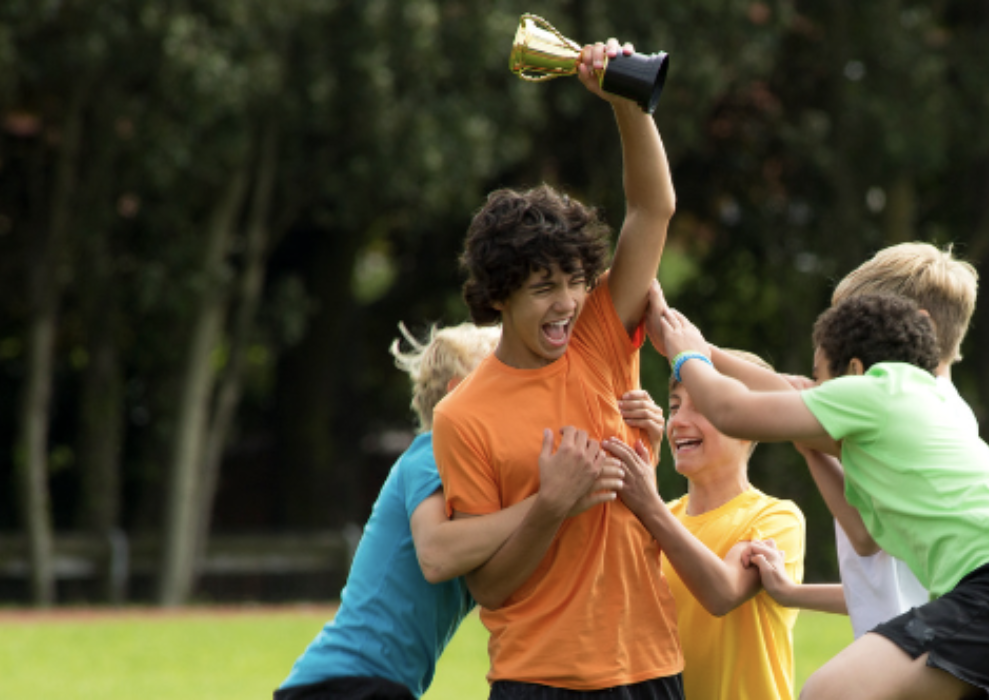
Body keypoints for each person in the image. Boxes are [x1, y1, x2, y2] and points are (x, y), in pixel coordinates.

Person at [646, 293, 989, 700]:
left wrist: (688, 356)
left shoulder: (876, 390)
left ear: (855, 372)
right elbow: (863, 535)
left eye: (824, 379)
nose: (815, 392)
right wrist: (710, 355)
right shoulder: (920, 403)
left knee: (828, 693)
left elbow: (732, 410)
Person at [431, 37, 684, 698]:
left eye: (576, 278)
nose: (568, 301)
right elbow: (487, 585)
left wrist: (626, 101)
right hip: (541, 682)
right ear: (497, 297)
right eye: (544, 287)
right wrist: (551, 506)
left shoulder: (598, 336)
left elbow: (653, 209)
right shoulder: (462, 416)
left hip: (653, 667)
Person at [276, 323, 636, 700]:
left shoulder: (481, 484)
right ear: (456, 394)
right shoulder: (433, 451)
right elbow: (435, 554)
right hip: (346, 682)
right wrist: (553, 501)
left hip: (365, 683)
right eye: (501, 378)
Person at [601, 347, 809, 700]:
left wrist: (648, 505)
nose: (679, 421)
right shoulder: (660, 517)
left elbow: (722, 592)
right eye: (676, 406)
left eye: (701, 406)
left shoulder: (776, 518)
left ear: (748, 423)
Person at [794, 242, 978, 638]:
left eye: (863, 332)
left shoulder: (911, 411)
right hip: (905, 645)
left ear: (921, 328)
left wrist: (692, 353)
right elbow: (868, 549)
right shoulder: (935, 409)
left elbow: (762, 403)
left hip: (920, 652)